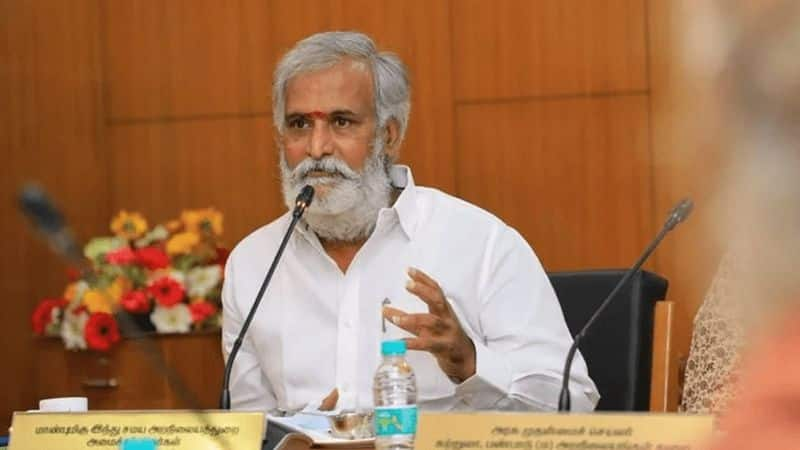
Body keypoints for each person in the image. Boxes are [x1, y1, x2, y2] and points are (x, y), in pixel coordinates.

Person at [221, 31, 598, 414]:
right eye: (300, 124)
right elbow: (248, 430)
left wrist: (469, 363)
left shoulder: (480, 242)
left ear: (388, 135)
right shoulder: (253, 263)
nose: (317, 148)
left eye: (342, 122)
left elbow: (574, 405)